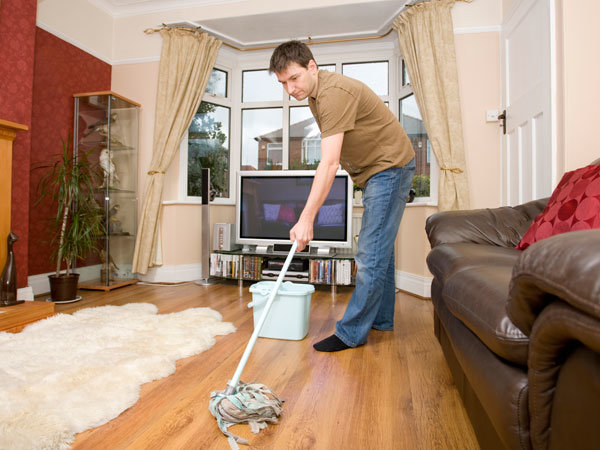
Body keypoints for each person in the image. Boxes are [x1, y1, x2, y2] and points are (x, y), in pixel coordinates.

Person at [269, 41, 416, 352]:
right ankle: (381, 320)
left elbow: (329, 163)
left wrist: (306, 219)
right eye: (283, 82)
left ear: (312, 67)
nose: (289, 89)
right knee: (380, 249)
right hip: (377, 170)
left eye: (294, 78)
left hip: (389, 167)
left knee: (370, 252)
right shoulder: (315, 95)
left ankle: (350, 333)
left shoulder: (333, 94)